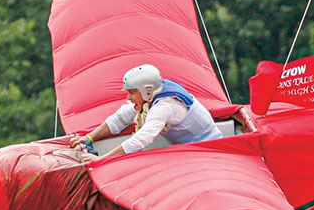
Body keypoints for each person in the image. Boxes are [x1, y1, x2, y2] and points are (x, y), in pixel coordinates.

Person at [69, 64, 223, 156]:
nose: (129, 98)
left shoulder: (164, 106)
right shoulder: (150, 96)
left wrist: (101, 160)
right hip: (189, 150)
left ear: (146, 90)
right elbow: (123, 116)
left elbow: (143, 138)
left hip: (209, 150)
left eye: (131, 92)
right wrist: (89, 138)